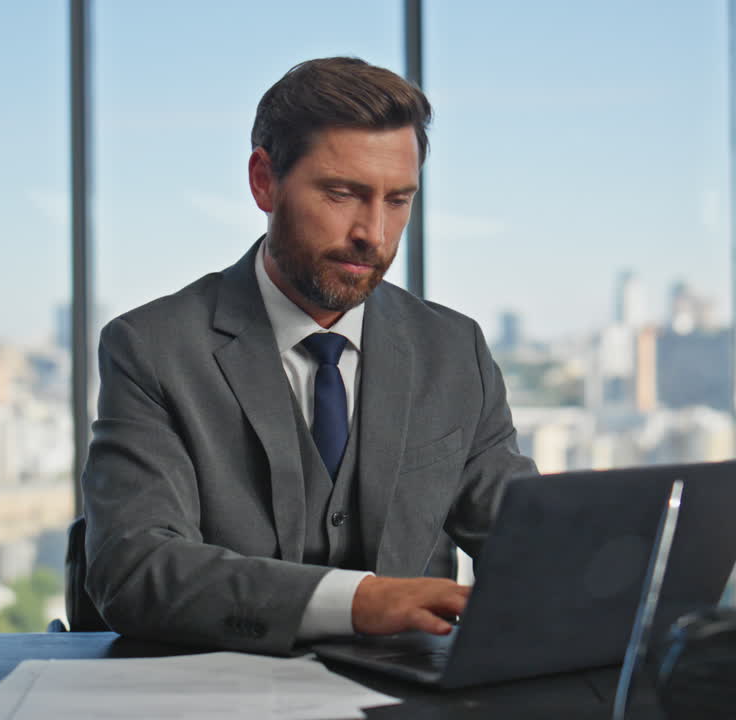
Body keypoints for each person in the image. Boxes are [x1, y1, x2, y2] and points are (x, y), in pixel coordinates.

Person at [82, 56, 537, 654]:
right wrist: (358, 601)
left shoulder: (454, 351)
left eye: (397, 200)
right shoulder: (153, 348)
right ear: (264, 181)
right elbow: (135, 572)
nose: (373, 233)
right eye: (343, 194)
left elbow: (527, 543)